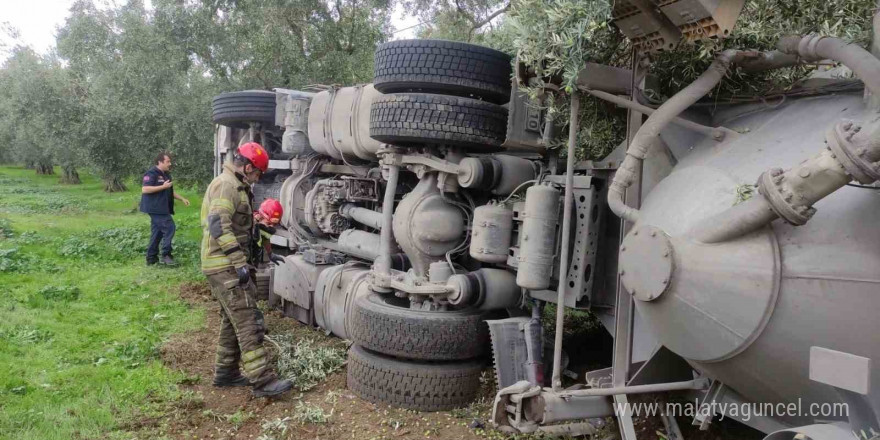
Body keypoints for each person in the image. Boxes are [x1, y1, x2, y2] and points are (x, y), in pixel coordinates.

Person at [199, 142, 293, 398]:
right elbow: (219, 226)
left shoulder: (238, 186)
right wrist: (239, 263)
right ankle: (263, 381)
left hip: (225, 263)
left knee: (233, 320)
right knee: (248, 321)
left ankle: (225, 373)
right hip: (225, 265)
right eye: (258, 173)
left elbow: (241, 227)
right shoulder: (226, 185)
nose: (258, 178)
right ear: (248, 167)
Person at [140, 151, 190, 266]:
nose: (170, 164)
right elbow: (145, 189)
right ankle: (166, 255)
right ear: (160, 162)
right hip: (154, 207)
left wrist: (182, 198)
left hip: (163, 207)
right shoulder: (151, 173)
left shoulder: (166, 174)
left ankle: (151, 258)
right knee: (169, 227)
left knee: (157, 233)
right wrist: (163, 186)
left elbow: (169, 190)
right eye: (167, 161)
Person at [253, 198, 285, 266]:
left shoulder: (261, 227)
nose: (271, 227)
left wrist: (270, 254)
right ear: (260, 216)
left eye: (274, 225)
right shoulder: (248, 228)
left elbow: (265, 236)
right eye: (269, 223)